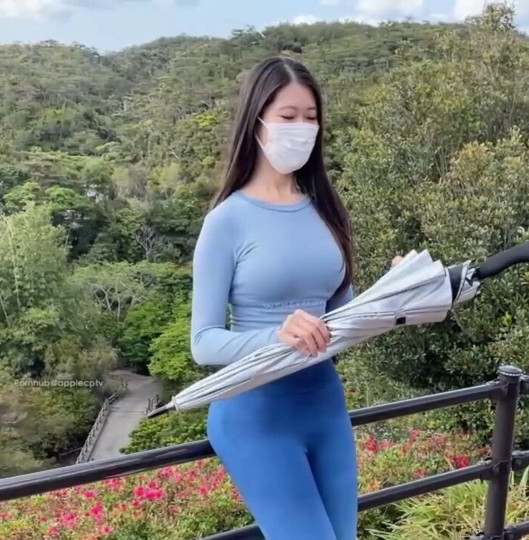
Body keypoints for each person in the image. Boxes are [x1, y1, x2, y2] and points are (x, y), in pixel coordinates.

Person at [189, 56, 400, 539]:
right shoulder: (226, 222)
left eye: (311, 117)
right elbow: (203, 342)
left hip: (325, 406)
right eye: (288, 116)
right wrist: (278, 336)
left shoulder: (326, 210)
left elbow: (342, 319)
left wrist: (394, 294)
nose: (301, 128)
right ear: (257, 121)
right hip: (256, 415)